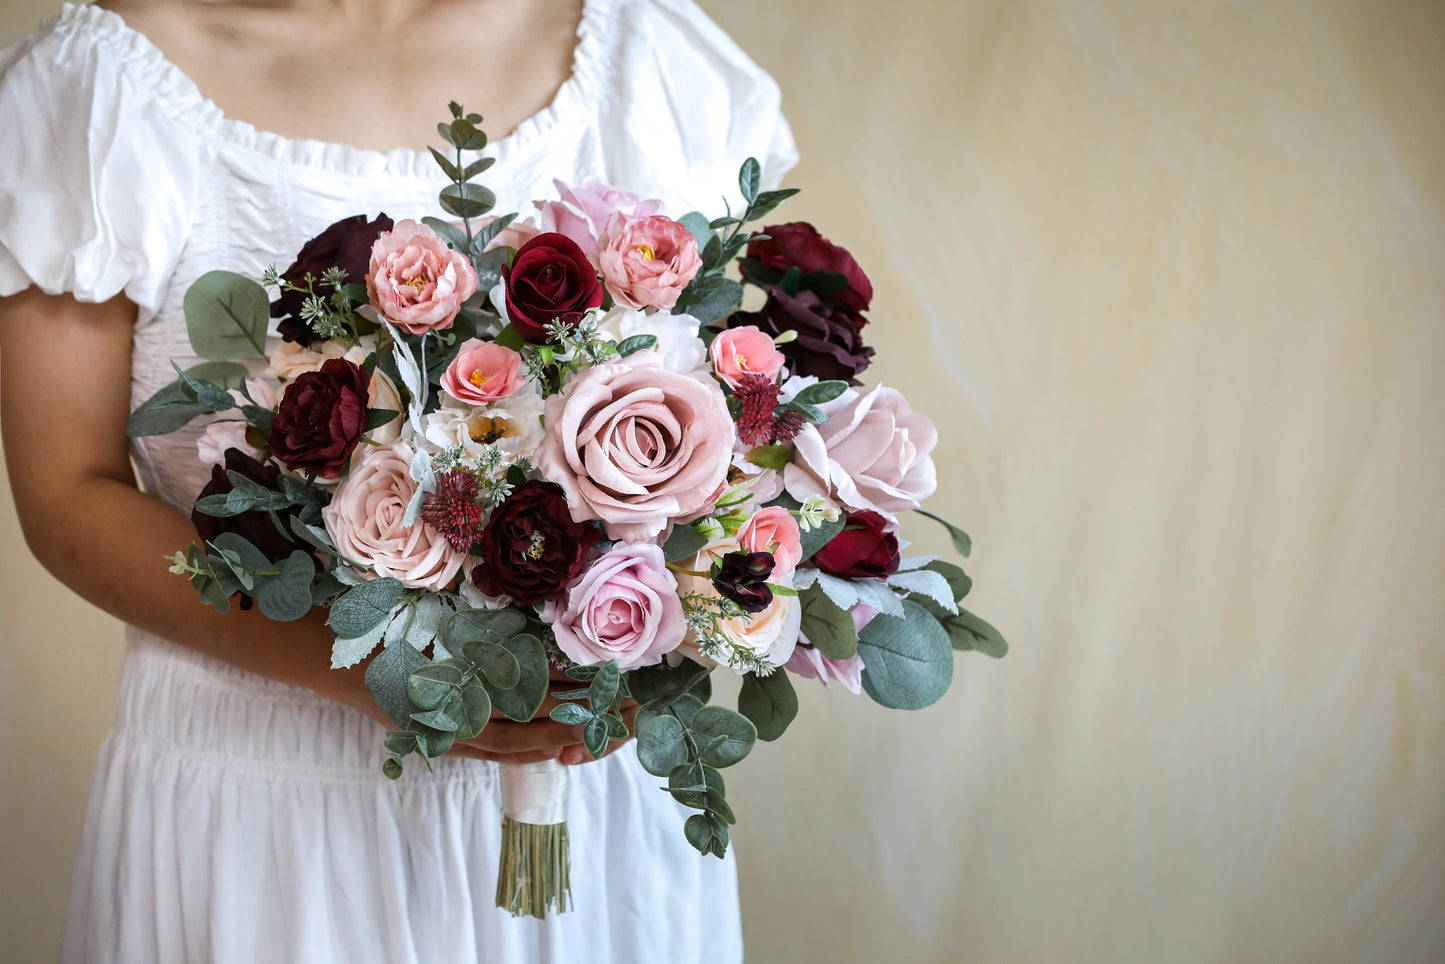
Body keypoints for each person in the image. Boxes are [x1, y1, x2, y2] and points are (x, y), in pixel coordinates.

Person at [0, 0, 796, 960]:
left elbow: (734, 423)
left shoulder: (648, 61)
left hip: (589, 805)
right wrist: (394, 681)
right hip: (262, 817)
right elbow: (66, 496)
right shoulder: (100, 90)